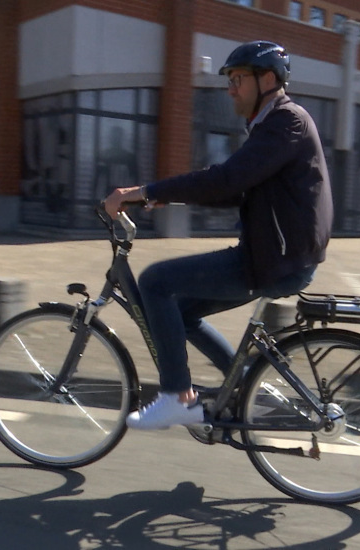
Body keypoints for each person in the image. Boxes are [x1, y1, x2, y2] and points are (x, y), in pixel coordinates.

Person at [104, 41, 334, 430]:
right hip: (276, 255)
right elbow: (236, 190)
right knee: (182, 311)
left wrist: (145, 192)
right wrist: (164, 198)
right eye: (229, 80)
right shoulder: (271, 124)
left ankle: (177, 397)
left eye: (237, 79)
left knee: (155, 281)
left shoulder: (286, 121)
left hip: (276, 260)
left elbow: (226, 179)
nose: (230, 88)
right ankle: (243, 384)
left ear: (267, 79)